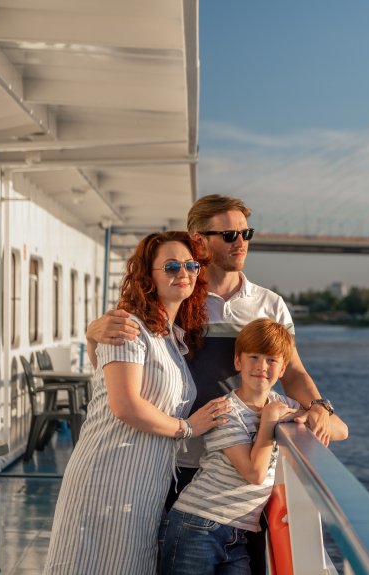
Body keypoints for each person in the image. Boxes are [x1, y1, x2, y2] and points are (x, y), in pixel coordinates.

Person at [86, 195, 342, 573]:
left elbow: (293, 372)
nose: (241, 242)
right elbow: (132, 347)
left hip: (237, 472)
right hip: (174, 460)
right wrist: (93, 333)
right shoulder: (181, 294)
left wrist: (319, 406)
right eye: (229, 235)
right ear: (199, 240)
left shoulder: (269, 304)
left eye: (245, 233)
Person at [46, 232, 232, 575]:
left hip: (144, 485)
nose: (184, 273)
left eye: (191, 265)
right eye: (171, 266)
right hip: (107, 476)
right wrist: (188, 428)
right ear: (149, 276)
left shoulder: (172, 339)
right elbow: (125, 405)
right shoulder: (128, 326)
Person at [157, 318, 348, 574]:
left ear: (283, 369)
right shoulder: (225, 411)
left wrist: (309, 413)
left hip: (239, 533)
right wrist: (269, 422)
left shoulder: (281, 404)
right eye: (254, 357)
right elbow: (254, 473)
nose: (261, 366)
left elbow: (342, 430)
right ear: (238, 362)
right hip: (197, 524)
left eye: (271, 360)